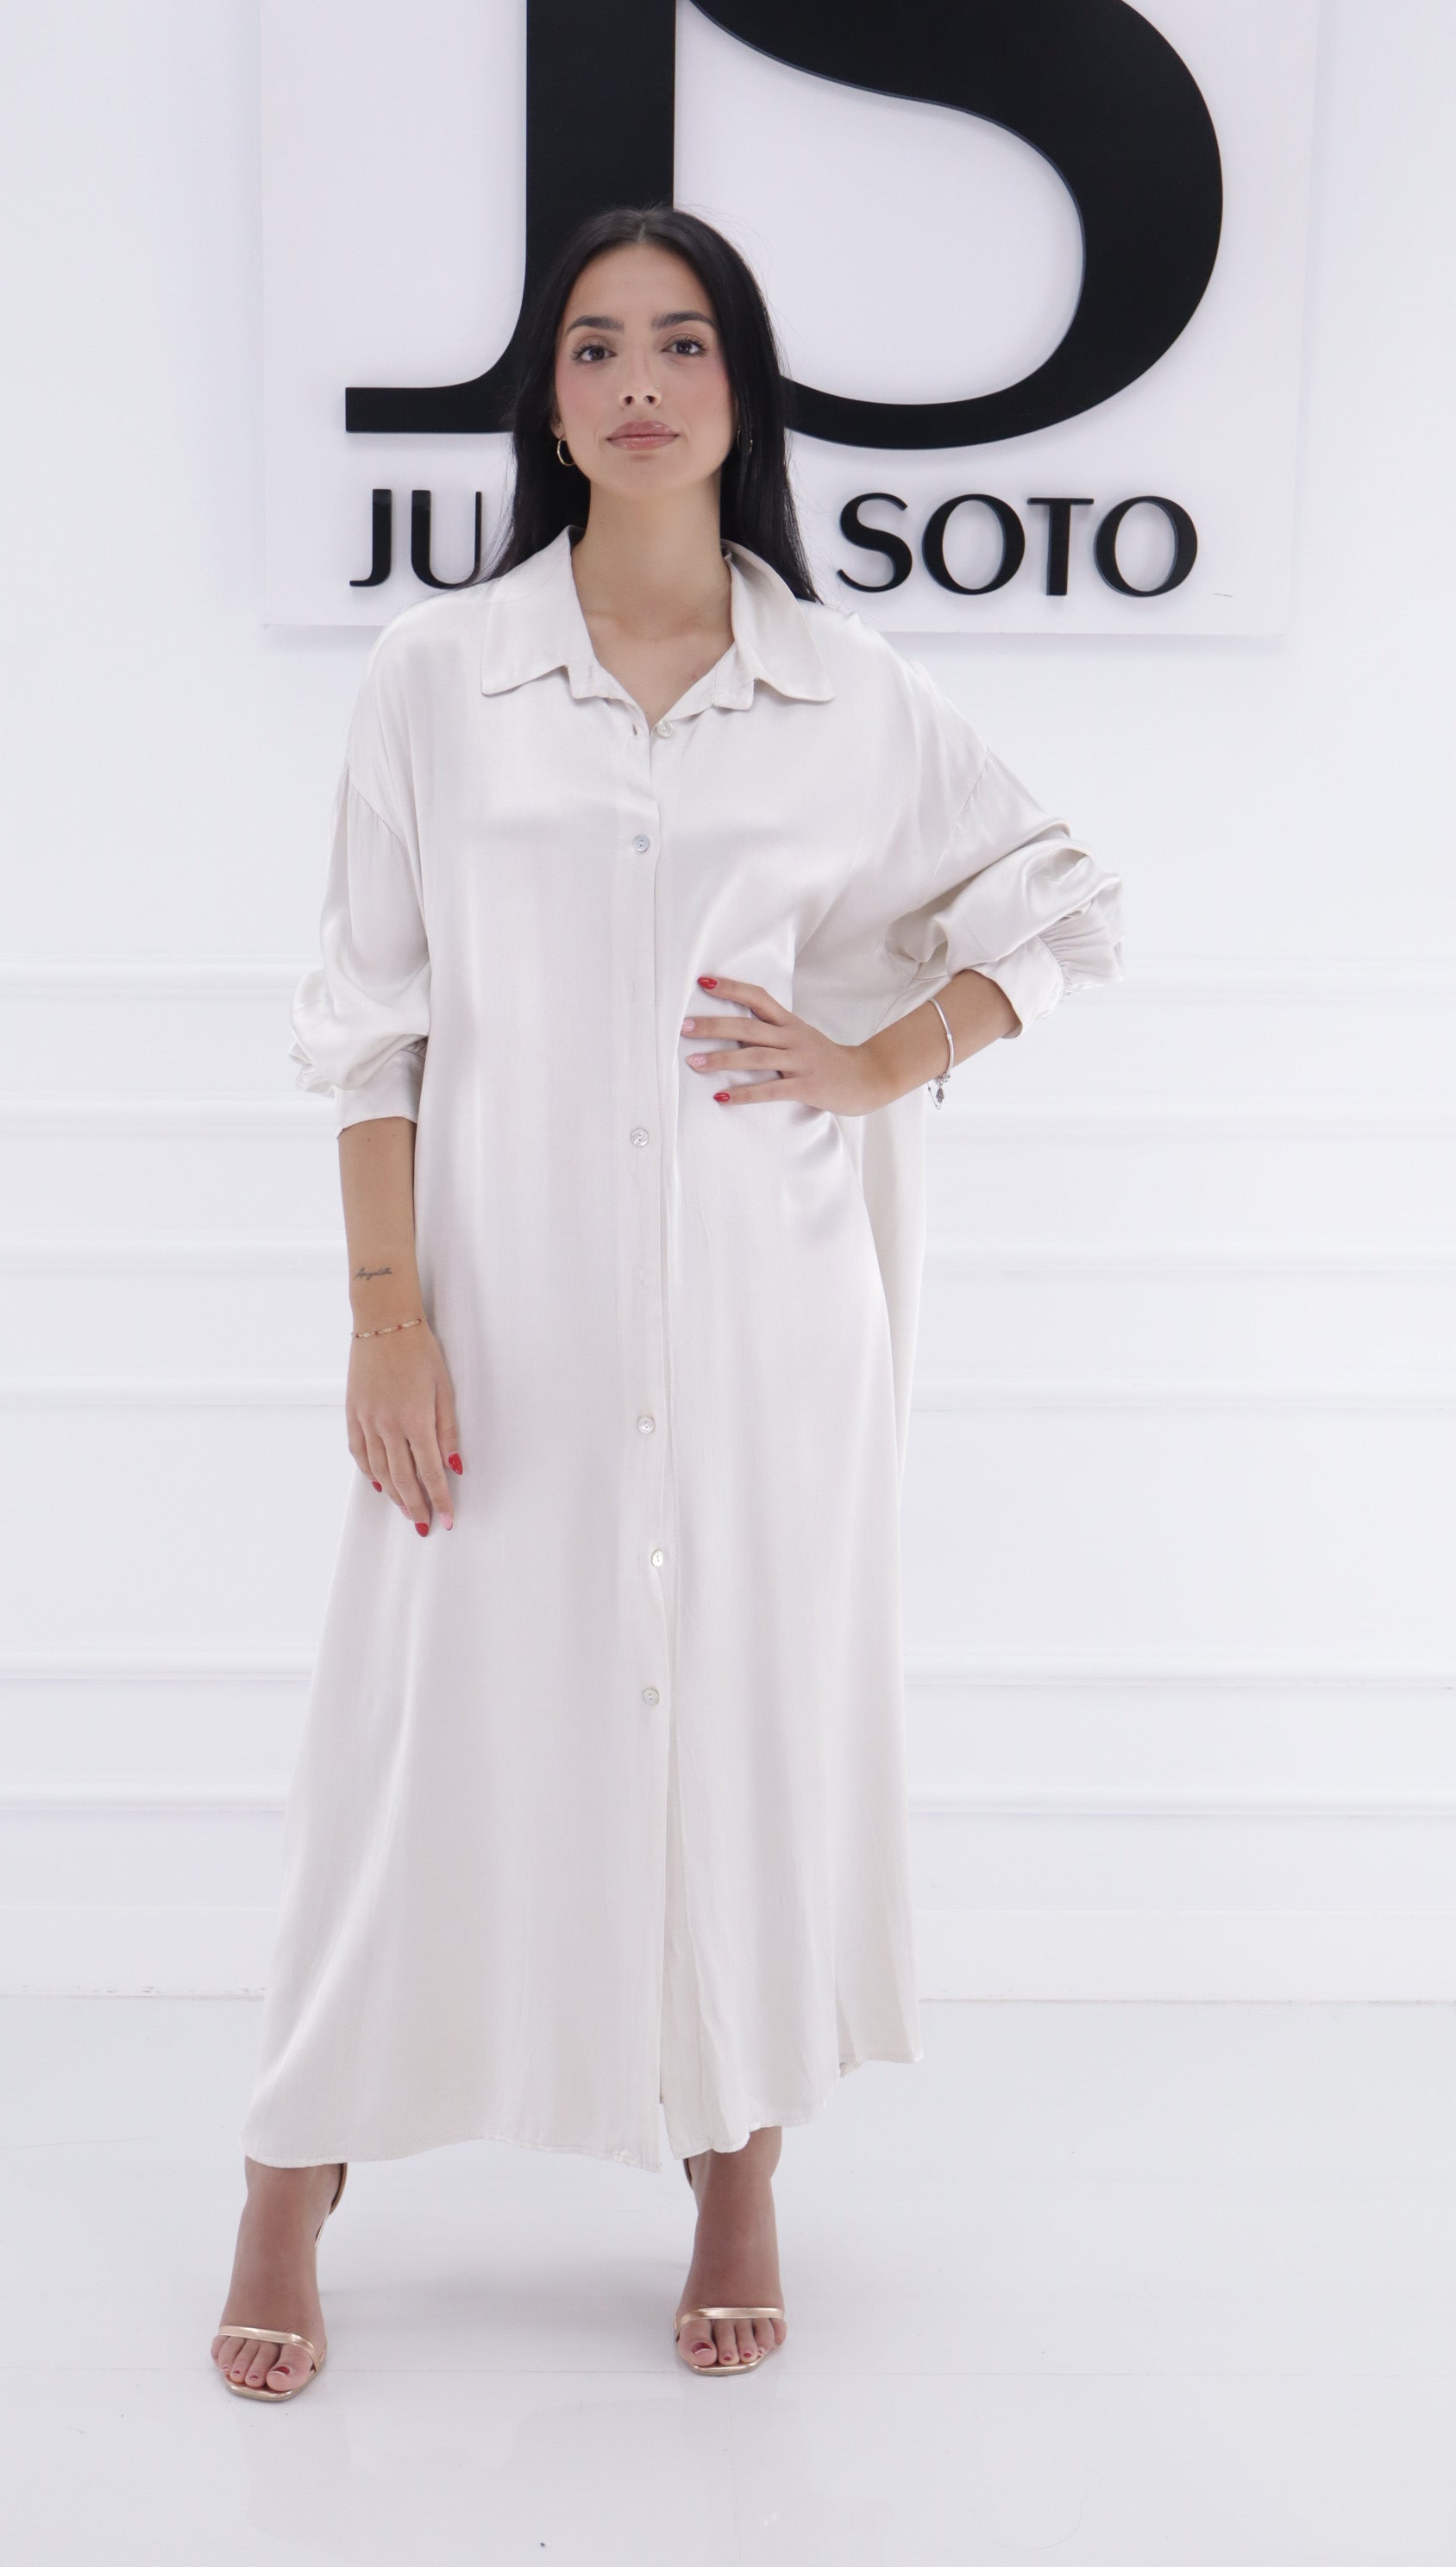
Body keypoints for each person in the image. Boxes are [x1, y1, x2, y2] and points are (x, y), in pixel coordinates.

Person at [212, 204, 1122, 2396]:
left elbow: (1065, 901)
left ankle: (735, 2160)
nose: (639, 380)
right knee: (420, 1728)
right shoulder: (437, 679)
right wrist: (384, 1311)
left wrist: (881, 1059)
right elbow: (370, 1023)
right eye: (598, 345)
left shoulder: (846, 692)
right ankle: (290, 2167)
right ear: (548, 402)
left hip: (771, 1323)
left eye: (683, 342)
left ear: (738, 390)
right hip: (500, 1316)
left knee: (744, 1718)